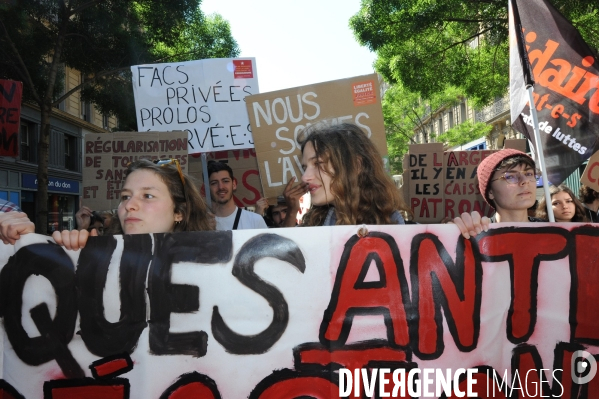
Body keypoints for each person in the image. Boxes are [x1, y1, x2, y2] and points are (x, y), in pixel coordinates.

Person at [53, 158, 213, 250]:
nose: (129, 205)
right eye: (125, 196)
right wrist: (71, 254)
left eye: (148, 195)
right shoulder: (98, 257)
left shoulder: (212, 269)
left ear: (179, 212)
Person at [283, 123, 410, 226]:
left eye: (318, 163)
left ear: (356, 166)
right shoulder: (316, 222)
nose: (304, 177)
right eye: (305, 167)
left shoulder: (388, 222)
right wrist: (291, 212)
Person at [452, 148, 543, 238]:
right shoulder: (478, 234)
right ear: (490, 191)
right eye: (510, 177)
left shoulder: (552, 231)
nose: (525, 180)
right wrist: (452, 234)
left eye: (529, 174)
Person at [207, 160, 267, 230]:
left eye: (225, 181)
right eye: (214, 183)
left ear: (234, 184)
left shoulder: (255, 220)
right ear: (207, 188)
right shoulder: (200, 224)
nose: (221, 187)